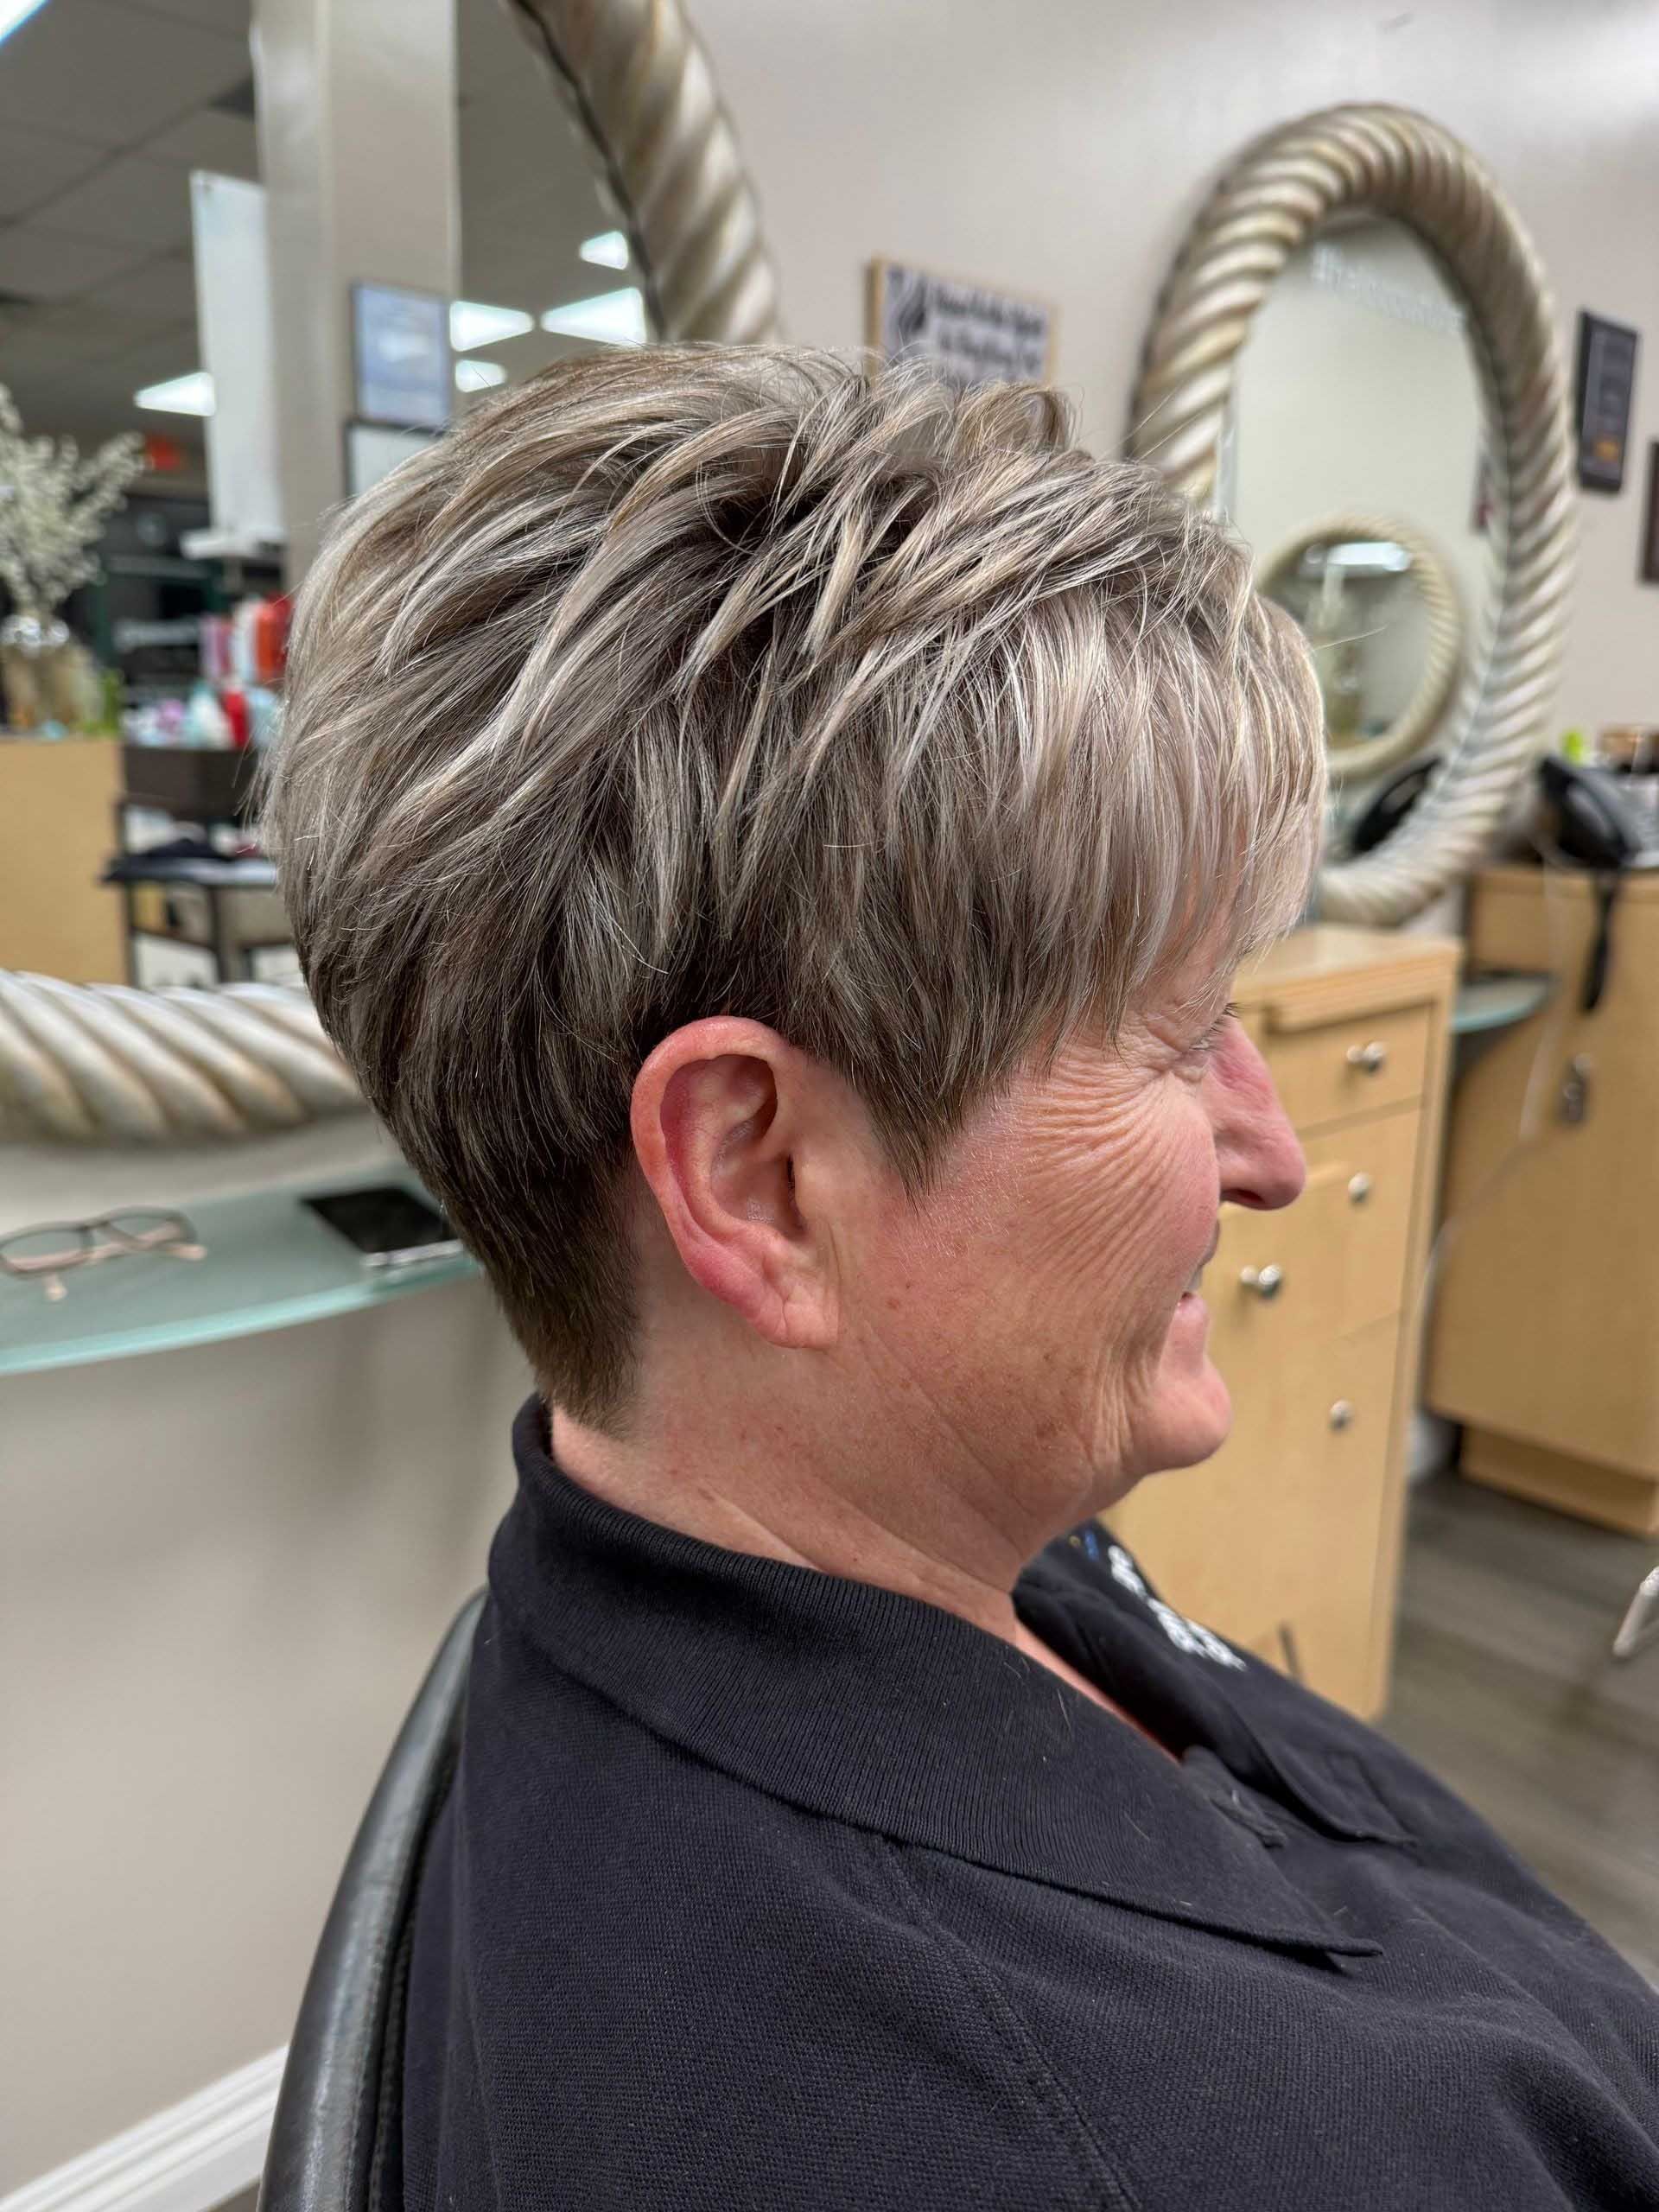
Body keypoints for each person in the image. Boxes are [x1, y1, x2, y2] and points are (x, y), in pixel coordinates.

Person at [265, 349, 1659, 2211]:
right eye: (1177, 1041)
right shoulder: (1131, 2148)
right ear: (760, 1174)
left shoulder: (936, 1540)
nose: (1273, 1148)